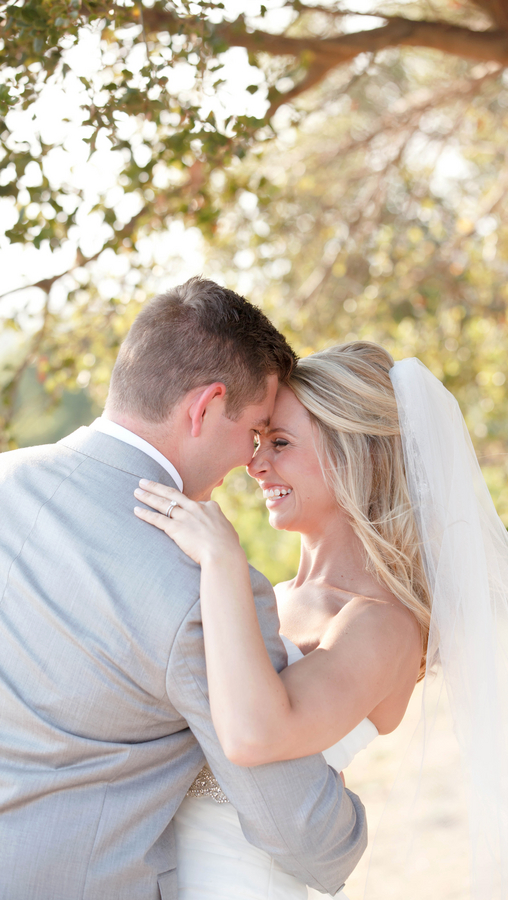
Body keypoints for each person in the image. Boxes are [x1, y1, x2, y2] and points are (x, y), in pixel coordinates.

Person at [136, 341, 508, 900]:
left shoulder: (384, 624)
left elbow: (257, 734)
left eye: (280, 443)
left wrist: (222, 559)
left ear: (356, 456)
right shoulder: (270, 595)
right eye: (258, 443)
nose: (255, 465)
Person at [0, 277, 368, 900]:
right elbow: (303, 834)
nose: (249, 461)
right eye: (253, 430)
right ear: (204, 407)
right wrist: (350, 832)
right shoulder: (200, 587)